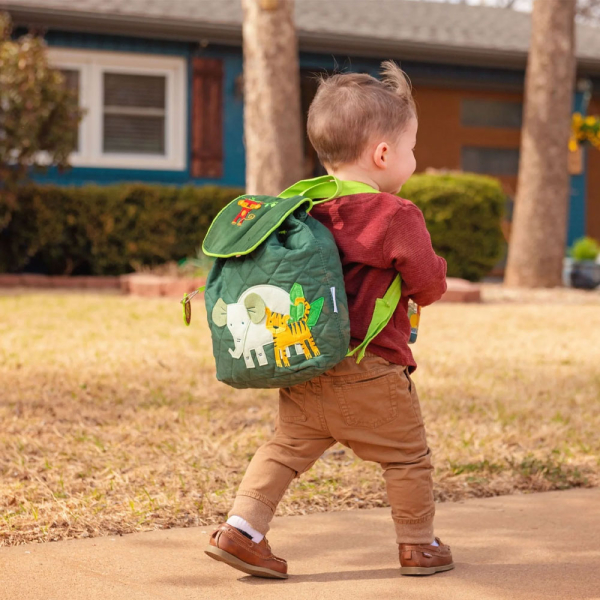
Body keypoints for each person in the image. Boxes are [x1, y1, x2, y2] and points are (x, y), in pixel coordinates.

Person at [205, 61, 452, 579]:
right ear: (383, 154)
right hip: (373, 371)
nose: (412, 158)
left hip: (307, 364)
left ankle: (241, 531)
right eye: (410, 147)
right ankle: (418, 545)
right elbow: (428, 283)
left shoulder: (303, 208)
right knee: (406, 460)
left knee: (284, 449)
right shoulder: (396, 216)